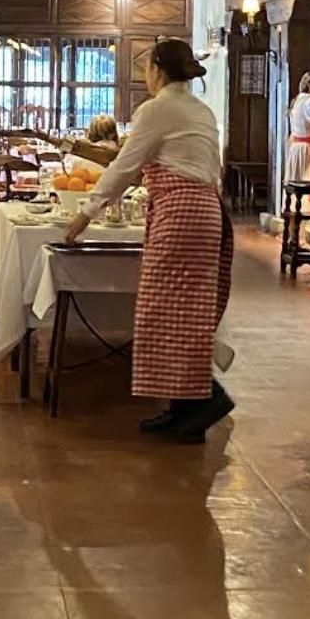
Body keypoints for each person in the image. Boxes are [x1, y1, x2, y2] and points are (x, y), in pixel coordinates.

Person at [64, 37, 233, 442]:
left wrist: (86, 213)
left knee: (162, 310)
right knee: (188, 313)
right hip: (206, 212)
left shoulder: (157, 109)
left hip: (180, 214)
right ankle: (184, 410)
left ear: (157, 69)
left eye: (146, 68)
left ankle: (206, 399)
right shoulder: (201, 109)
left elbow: (125, 166)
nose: (144, 75)